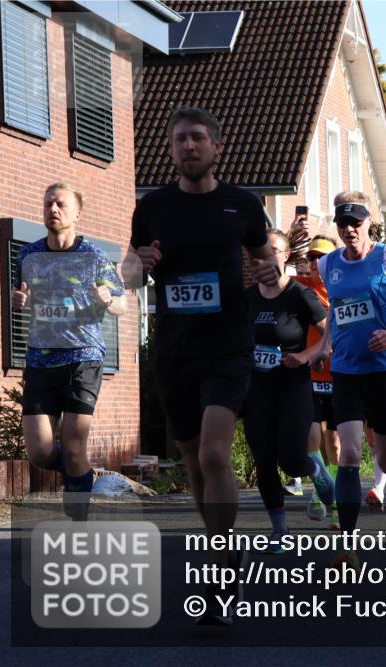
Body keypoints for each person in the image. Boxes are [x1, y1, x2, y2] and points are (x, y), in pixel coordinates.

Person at [125, 107, 280, 625]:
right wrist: (137, 267)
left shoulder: (242, 205)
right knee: (193, 463)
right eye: (179, 140)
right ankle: (223, 545)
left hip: (227, 344)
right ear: (171, 150)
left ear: (216, 146)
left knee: (215, 454)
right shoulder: (152, 208)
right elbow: (128, 268)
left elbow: (268, 262)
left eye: (197, 138)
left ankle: (218, 570)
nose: (188, 147)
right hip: (174, 349)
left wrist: (267, 269)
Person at [317, 191, 386, 564]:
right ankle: (346, 545)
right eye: (342, 223)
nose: (349, 229)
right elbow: (337, 312)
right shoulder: (327, 265)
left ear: (369, 222)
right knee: (348, 453)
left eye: (356, 222)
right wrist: (325, 344)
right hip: (346, 371)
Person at [12, 183, 128, 521]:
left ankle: (79, 523)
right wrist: (23, 301)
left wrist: (108, 301)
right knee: (40, 452)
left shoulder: (93, 256)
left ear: (77, 212)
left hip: (83, 357)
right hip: (40, 359)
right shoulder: (28, 255)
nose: (53, 209)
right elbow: (28, 298)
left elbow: (121, 301)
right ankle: (82, 473)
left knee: (75, 444)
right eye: (48, 203)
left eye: (61, 204)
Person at [243, 230, 333, 552]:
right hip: (258, 389)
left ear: (285, 256)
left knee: (292, 459)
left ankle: (315, 469)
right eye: (260, 253)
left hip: (293, 386)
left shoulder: (299, 296)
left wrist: (308, 355)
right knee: (264, 459)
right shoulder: (249, 298)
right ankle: (280, 531)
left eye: (273, 251)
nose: (266, 257)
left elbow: (329, 336)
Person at [294, 235, 341, 530]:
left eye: (320, 257)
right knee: (311, 441)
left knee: (334, 444)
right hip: (310, 375)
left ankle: (333, 494)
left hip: (339, 375)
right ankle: (324, 493)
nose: (315, 263)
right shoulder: (302, 287)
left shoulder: (341, 287)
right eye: (311, 257)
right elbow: (277, 269)